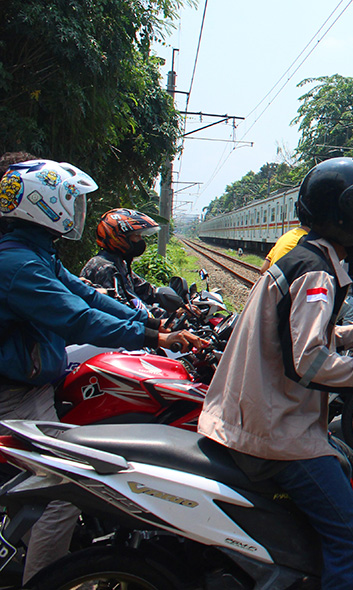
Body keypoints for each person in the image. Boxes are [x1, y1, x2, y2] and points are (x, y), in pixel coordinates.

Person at [198, 157, 353, 590]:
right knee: (352, 539)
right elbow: (310, 363)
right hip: (275, 431)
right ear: (344, 215)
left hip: (260, 415)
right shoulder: (317, 273)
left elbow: (294, 334)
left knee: (345, 471)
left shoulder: (310, 258)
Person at [0, 159, 205, 584]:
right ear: (44, 204)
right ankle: (45, 580)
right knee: (63, 492)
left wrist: (153, 327)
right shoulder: (18, 265)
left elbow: (88, 297)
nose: (76, 211)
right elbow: (77, 318)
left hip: (34, 385)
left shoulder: (34, 253)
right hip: (14, 396)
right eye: (70, 201)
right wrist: (152, 339)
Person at [80, 208, 162, 310]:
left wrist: (166, 296)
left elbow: (144, 290)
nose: (141, 241)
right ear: (118, 238)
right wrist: (158, 319)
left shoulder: (119, 263)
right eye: (137, 236)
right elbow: (124, 307)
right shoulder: (104, 268)